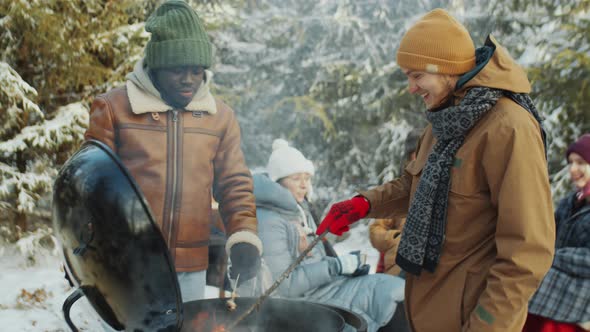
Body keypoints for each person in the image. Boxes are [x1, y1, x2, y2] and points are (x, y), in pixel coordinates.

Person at [316, 8, 556, 332]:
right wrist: (365, 204)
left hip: (471, 318)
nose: (411, 88)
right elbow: (415, 185)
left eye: (417, 76)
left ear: (445, 69)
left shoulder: (507, 127)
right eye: (407, 77)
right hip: (430, 309)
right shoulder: (445, 119)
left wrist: (487, 325)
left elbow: (527, 249)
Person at [84, 0, 262, 303]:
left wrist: (243, 236)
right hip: (128, 263)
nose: (189, 79)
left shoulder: (220, 117)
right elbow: (90, 188)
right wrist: (83, 248)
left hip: (189, 267)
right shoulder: (114, 108)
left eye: (196, 70)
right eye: (178, 69)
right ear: (156, 66)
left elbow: (234, 183)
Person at [252, 139, 404, 332]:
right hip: (305, 302)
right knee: (389, 297)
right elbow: (285, 285)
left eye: (307, 178)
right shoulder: (269, 222)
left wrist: (349, 266)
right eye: (296, 178)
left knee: (394, 290)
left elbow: (316, 258)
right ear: (277, 181)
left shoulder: (299, 211)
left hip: (327, 287)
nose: (304, 185)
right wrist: (336, 266)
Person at [523, 134, 590, 332]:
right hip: (547, 294)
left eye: (581, 162)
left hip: (577, 308)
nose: (573, 169)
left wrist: (548, 257)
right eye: (570, 162)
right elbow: (546, 235)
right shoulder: (569, 203)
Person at [370, 130, 420, 276]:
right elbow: (375, 230)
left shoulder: (446, 189)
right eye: (416, 154)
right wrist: (395, 240)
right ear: (409, 159)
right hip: (397, 270)